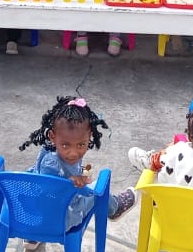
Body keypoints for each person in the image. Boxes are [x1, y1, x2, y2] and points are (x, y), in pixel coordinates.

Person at [113, 104, 193, 246]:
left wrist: (153, 164)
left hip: (169, 223)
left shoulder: (176, 149)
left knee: (160, 176)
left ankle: (145, 164)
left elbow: (159, 160)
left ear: (189, 134)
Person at [19, 95, 130, 232]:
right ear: (53, 137)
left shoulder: (53, 149)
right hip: (61, 220)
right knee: (99, 189)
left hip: (39, 216)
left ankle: (33, 238)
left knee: (87, 174)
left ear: (89, 136)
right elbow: (47, 189)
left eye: (81, 145)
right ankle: (116, 208)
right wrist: (69, 184)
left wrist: (81, 176)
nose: (73, 153)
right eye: (66, 145)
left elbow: (66, 173)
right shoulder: (50, 163)